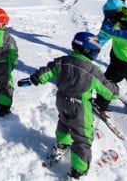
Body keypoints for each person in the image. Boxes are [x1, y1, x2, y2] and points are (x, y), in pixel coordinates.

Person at [24, 32, 119, 179]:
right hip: (80, 107)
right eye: (95, 51)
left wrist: (34, 78)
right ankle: (79, 171)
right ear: (88, 51)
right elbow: (108, 91)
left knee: (64, 122)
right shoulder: (93, 71)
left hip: (62, 101)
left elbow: (47, 71)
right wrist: (114, 91)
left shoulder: (63, 61)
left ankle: (62, 144)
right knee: (82, 136)